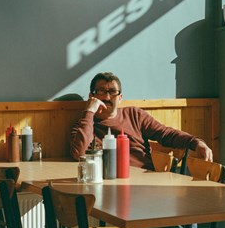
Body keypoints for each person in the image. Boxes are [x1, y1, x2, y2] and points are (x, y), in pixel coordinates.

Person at [70, 72, 213, 169]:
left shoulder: (134, 114)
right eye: (101, 91)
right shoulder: (85, 124)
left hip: (146, 183)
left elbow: (166, 134)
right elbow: (79, 154)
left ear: (120, 98)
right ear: (91, 96)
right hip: (107, 184)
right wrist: (89, 112)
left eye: (113, 92)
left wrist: (197, 143)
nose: (107, 97)